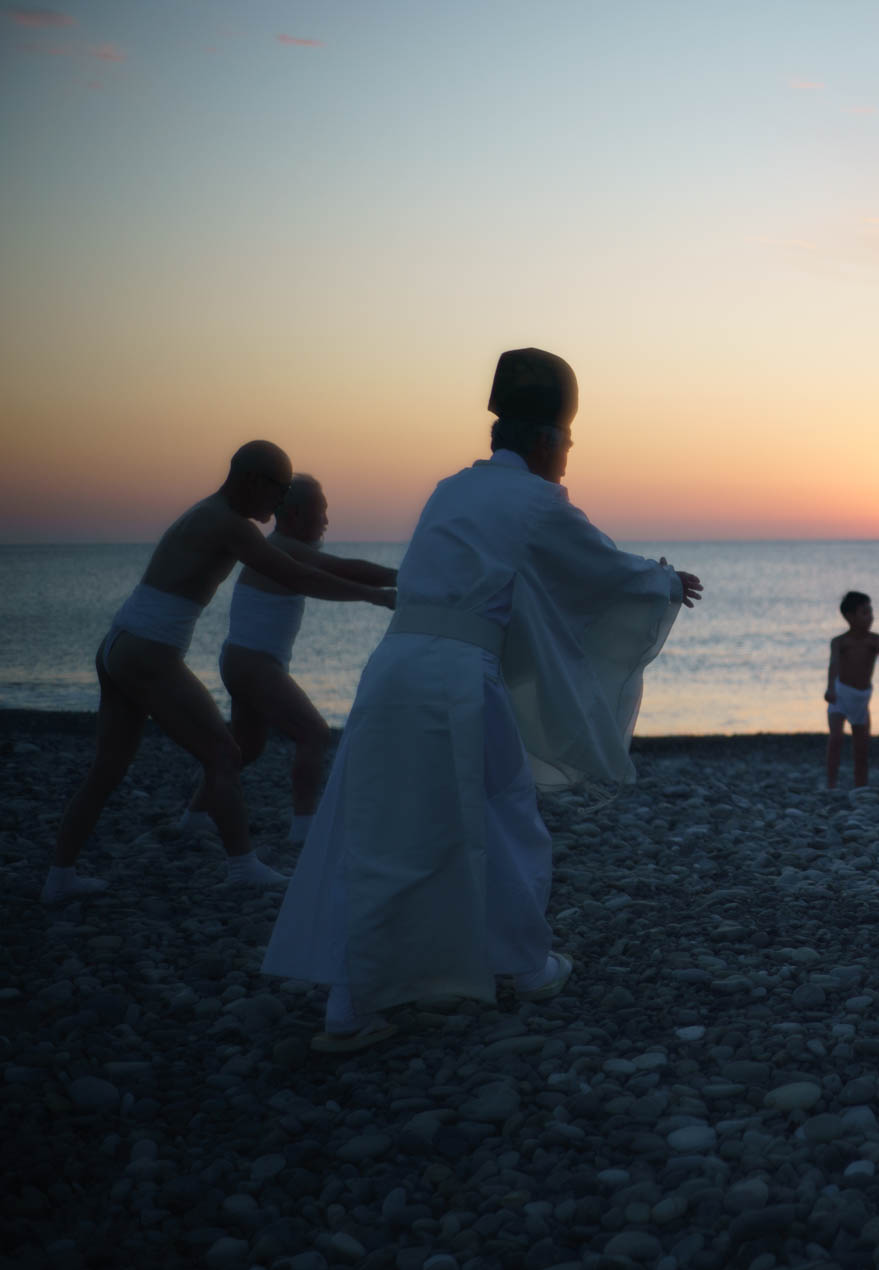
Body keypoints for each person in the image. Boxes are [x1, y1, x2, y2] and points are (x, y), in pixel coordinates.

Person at [264, 348, 700, 1052]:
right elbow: (596, 570)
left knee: (373, 827)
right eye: (568, 444)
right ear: (546, 439)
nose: (567, 459)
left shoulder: (449, 490)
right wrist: (666, 582)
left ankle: (348, 1005)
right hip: (458, 678)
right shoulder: (538, 501)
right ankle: (525, 965)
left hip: (391, 668)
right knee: (505, 815)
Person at [43, 442, 396, 905]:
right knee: (225, 755)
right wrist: (377, 597)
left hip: (120, 644)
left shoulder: (207, 513)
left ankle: (60, 876)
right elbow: (300, 576)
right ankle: (243, 866)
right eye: (278, 490)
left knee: (108, 768)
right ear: (252, 480)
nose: (280, 502)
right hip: (148, 653)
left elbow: (310, 570)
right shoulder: (230, 525)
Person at [181, 475, 398, 846]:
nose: (326, 521)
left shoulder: (281, 548)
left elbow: (336, 569)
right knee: (314, 733)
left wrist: (388, 584)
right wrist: (391, 585)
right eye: (321, 512)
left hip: (242, 661)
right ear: (296, 515)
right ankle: (304, 830)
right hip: (254, 665)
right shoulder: (283, 548)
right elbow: (339, 570)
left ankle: (195, 817)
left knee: (245, 749)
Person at [824, 591, 879, 790]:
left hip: (862, 698)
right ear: (849, 617)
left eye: (871, 612)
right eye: (865, 613)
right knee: (836, 739)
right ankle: (831, 785)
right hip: (840, 694)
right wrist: (830, 688)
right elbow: (833, 665)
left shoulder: (876, 640)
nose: (870, 617)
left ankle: (861, 788)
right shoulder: (840, 642)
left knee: (861, 747)